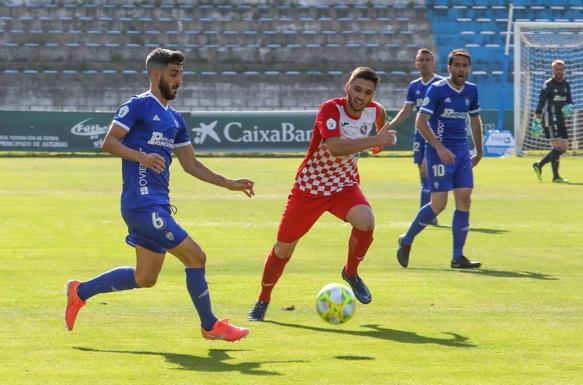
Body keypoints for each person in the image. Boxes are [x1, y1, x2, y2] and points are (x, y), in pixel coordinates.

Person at [64, 48, 254, 342]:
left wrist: (229, 183)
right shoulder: (137, 106)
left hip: (157, 205)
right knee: (196, 257)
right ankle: (210, 326)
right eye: (174, 74)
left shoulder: (175, 119)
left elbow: (190, 165)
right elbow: (109, 142)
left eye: (181, 74)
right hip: (141, 203)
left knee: (145, 278)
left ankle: (80, 291)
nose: (179, 80)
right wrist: (141, 157)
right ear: (156, 75)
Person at [247, 67, 397, 321]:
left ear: (373, 95)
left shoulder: (376, 110)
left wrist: (378, 144)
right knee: (283, 249)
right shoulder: (331, 109)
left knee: (366, 221)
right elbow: (335, 147)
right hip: (310, 189)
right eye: (357, 89)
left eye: (368, 92)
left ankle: (350, 273)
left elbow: (380, 127)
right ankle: (263, 299)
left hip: (344, 186)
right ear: (347, 87)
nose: (361, 96)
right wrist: (375, 141)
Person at [396, 49, 483, 269]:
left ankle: (457, 257)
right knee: (439, 204)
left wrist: (479, 151)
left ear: (469, 69)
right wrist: (440, 148)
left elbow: (474, 121)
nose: (461, 69)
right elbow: (421, 122)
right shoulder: (437, 90)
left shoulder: (471, 90)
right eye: (458, 65)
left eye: (465, 65)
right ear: (449, 68)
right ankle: (407, 239)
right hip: (438, 152)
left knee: (464, 198)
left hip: (461, 152)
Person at [384, 48, 444, 226]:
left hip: (436, 134)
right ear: (416, 64)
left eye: (428, 59)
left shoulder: (441, 83)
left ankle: (426, 213)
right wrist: (389, 125)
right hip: (420, 135)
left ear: (433, 63)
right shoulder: (414, 86)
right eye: (421, 60)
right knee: (423, 174)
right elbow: (406, 111)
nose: (424, 62)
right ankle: (429, 212)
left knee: (427, 171)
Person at [532, 59, 574, 183]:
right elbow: (540, 104)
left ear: (564, 71)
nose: (559, 71)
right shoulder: (548, 85)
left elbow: (570, 101)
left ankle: (539, 164)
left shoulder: (566, 85)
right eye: (556, 69)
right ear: (553, 70)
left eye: (561, 69)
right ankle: (556, 177)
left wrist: (569, 106)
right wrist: (537, 122)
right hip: (549, 118)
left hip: (560, 119)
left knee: (564, 148)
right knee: (557, 147)